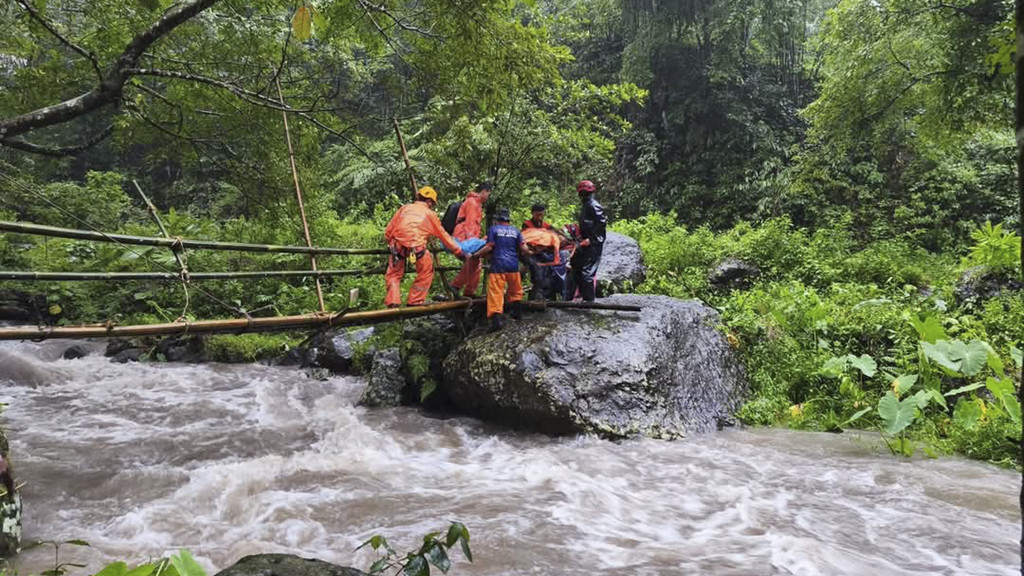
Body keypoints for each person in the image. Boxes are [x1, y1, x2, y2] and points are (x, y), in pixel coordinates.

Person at [383, 186, 466, 308]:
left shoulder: (404, 209)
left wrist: (391, 244)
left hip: (398, 246)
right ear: (429, 201)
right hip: (417, 247)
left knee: (393, 274)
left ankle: (393, 302)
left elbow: (388, 231)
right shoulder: (430, 214)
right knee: (427, 271)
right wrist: (458, 252)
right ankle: (415, 301)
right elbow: (444, 236)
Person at [472, 207, 528, 332]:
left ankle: (496, 321)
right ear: (508, 219)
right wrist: (532, 253)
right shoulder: (516, 231)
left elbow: (489, 247)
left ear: (498, 219)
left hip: (498, 266)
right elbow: (524, 248)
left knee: (496, 293)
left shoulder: (494, 229)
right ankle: (517, 313)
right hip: (513, 265)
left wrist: (476, 255)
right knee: (515, 290)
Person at [449, 182, 493, 297]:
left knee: (475, 264)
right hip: (463, 239)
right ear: (484, 191)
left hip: (464, 238)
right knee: (475, 263)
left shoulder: (475, 203)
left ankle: (463, 289)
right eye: (488, 194)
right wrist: (471, 246)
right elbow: (470, 225)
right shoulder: (473, 203)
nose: (488, 197)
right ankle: (462, 289)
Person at [566, 180, 606, 302]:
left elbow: (601, 225)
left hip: (593, 244)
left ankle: (589, 301)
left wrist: (591, 239)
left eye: (585, 193)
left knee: (587, 273)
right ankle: (574, 297)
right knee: (575, 266)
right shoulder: (586, 206)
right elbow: (586, 226)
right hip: (584, 243)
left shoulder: (594, 206)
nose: (582, 196)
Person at [522, 226, 569, 301]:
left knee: (540, 278)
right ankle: (540, 298)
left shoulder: (542, 233)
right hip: (529, 253)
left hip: (525, 250)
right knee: (540, 279)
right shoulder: (554, 239)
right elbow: (556, 260)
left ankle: (539, 297)